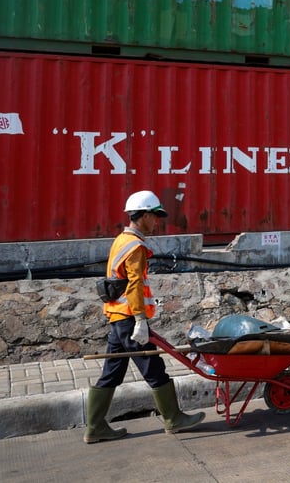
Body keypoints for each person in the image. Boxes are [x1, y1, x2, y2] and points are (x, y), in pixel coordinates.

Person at [84, 190, 205, 443]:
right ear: (144, 215)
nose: (157, 222)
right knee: (154, 368)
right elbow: (134, 285)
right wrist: (140, 320)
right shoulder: (136, 246)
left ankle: (95, 428)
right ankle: (173, 418)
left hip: (118, 317)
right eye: (154, 216)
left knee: (112, 373)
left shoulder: (120, 239)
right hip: (129, 318)